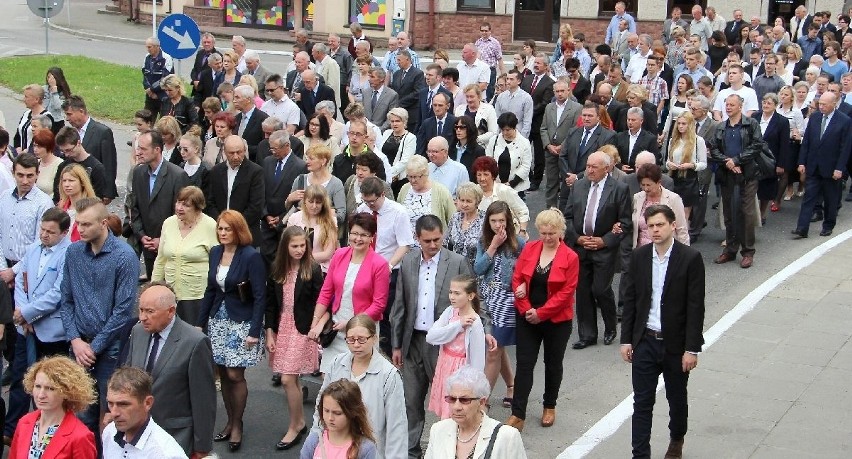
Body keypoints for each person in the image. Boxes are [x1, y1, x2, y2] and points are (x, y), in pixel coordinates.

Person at [620, 204, 706, 459]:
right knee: (642, 403)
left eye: (660, 225)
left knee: (677, 400)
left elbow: (695, 307)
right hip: (645, 340)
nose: (655, 230)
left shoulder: (690, 258)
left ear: (673, 226)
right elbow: (631, 299)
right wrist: (626, 340)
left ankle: (676, 439)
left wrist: (691, 349)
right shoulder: (640, 256)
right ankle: (640, 455)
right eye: (651, 226)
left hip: (675, 345)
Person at [59, 197, 139, 435]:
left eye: (86, 224)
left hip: (111, 348)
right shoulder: (73, 253)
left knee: (111, 418)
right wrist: (75, 340)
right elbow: (66, 301)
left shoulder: (124, 256)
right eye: (78, 224)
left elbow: (123, 311)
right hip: (79, 345)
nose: (80, 229)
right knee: (80, 416)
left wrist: (93, 348)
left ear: (103, 223)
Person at [198, 210, 266, 452]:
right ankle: (229, 420)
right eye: (220, 229)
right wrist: (200, 322)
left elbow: (260, 297)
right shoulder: (216, 252)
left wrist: (255, 331)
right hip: (218, 319)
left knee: (236, 375)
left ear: (238, 230)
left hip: (242, 322)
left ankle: (237, 424)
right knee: (224, 374)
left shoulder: (250, 257)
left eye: (228, 229)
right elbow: (210, 289)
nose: (223, 233)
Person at [123, 282, 215, 457]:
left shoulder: (195, 342)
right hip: (138, 432)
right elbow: (128, 378)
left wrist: (202, 446)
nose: (142, 317)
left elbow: (204, 401)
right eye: (141, 310)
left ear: (171, 311)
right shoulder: (138, 331)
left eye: (149, 311)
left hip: (175, 435)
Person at [506, 207, 578, 432]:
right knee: (525, 364)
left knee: (553, 364)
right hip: (528, 316)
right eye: (543, 233)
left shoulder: (570, 256)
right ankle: (518, 413)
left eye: (551, 233)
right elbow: (517, 279)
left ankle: (549, 405)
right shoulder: (530, 248)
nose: (547, 238)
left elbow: (567, 292)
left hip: (556, 320)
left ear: (560, 232)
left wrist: (542, 313)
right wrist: (527, 309)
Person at [563, 151, 631, 349]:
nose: (589, 170)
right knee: (582, 292)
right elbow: (567, 217)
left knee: (600, 289)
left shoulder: (619, 189)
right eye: (588, 166)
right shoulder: (578, 185)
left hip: (604, 250)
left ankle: (610, 327)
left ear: (607, 168)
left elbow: (625, 223)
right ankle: (588, 334)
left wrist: (604, 241)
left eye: (594, 167)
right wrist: (577, 238)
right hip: (580, 248)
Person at [313, 315, 405, 459]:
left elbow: (396, 426)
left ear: (374, 338)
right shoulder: (337, 363)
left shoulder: (389, 375)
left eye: (362, 339)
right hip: (335, 450)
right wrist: (315, 438)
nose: (356, 345)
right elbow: (321, 404)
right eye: (350, 340)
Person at [307, 212, 390, 371]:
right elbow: (326, 292)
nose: (358, 239)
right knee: (330, 377)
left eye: (364, 235)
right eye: (355, 233)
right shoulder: (339, 255)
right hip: (336, 327)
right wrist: (315, 322)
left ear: (372, 237)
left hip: (363, 331)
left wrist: (352, 324)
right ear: (349, 233)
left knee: (357, 382)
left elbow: (378, 305)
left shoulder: (379, 264)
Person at [265, 226, 323, 451]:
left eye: (302, 246)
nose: (299, 250)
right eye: (294, 246)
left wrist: (317, 326)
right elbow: (270, 304)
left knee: (288, 379)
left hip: (302, 329)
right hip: (283, 327)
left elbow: (322, 300)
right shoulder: (277, 269)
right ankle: (299, 421)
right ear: (285, 247)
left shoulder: (313, 269)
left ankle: (296, 425)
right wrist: (270, 331)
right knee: (293, 380)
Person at [709, 94, 767, 268]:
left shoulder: (751, 124)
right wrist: (728, 162)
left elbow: (757, 145)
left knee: (746, 213)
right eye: (727, 104)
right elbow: (714, 148)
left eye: (732, 105)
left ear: (740, 107)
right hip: (727, 174)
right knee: (729, 213)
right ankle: (730, 249)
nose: (728, 107)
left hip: (747, 174)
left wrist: (737, 160)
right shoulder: (720, 127)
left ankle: (748, 251)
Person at [474, 201, 524, 404]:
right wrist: (493, 246)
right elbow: (478, 268)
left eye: (501, 220)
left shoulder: (518, 243)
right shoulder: (484, 241)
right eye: (493, 221)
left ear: (508, 221)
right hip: (486, 300)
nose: (497, 225)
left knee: (494, 349)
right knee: (496, 345)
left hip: (506, 300)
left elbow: (526, 271)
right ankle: (512, 385)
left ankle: (482, 400)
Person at [423, 366, 526, 459]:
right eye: (452, 399)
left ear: (482, 402)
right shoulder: (438, 430)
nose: (457, 407)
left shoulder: (507, 437)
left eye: (465, 400)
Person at [151, 186, 217, 325]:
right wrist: (153, 288)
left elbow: (218, 262)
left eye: (186, 205)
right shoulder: (168, 223)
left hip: (198, 296)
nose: (179, 208)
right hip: (171, 295)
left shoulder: (210, 225)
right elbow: (161, 259)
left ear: (198, 208)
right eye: (178, 202)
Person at [8, 356, 96, 459]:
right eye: (37, 386)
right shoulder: (24, 422)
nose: (41, 395)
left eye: (50, 388)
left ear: (67, 392)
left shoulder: (80, 436)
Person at [130, 130, 191, 279]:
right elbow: (135, 207)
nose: (138, 152)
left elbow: (183, 215)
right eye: (138, 148)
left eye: (143, 149)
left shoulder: (177, 175)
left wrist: (163, 240)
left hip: (172, 249)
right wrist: (141, 235)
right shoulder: (138, 173)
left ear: (157, 150)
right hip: (149, 246)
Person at [425, 274, 486, 420]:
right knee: (445, 413)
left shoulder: (475, 323)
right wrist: (458, 325)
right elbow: (431, 336)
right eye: (451, 292)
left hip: (460, 371)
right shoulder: (450, 312)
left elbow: (478, 361)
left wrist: (475, 389)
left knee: (456, 412)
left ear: (470, 296)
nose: (452, 296)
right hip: (445, 365)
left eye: (457, 293)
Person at [793, 92, 852, 238]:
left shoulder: (844, 121)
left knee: (831, 199)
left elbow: (845, 148)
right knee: (809, 198)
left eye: (825, 104)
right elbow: (806, 141)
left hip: (832, 168)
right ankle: (802, 228)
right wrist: (802, 162)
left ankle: (828, 225)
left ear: (834, 104)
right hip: (813, 166)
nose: (821, 107)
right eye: (820, 104)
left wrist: (840, 168)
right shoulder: (815, 118)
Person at [101, 367, 187, 458]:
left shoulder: (166, 454)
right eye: (110, 403)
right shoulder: (109, 433)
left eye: (123, 404)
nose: (114, 413)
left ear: (147, 403)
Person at [204, 134, 265, 244]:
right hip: (220, 232)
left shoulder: (255, 172)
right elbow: (210, 201)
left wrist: (234, 225)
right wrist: (221, 224)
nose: (236, 156)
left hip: (245, 232)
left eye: (239, 152)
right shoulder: (216, 171)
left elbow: (255, 206)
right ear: (224, 152)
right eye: (231, 153)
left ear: (244, 150)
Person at [300, 379, 378, 459]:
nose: (330, 418)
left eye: (337, 413)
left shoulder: (365, 449)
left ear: (352, 412)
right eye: (326, 411)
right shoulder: (314, 441)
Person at [61, 95, 118, 202]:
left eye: (69, 114)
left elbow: (109, 162)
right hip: (74, 191)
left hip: (94, 188)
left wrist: (108, 191)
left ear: (81, 111)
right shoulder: (69, 133)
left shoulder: (102, 132)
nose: (67, 118)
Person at [287, 144, 346, 232]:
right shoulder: (300, 179)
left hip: (324, 232)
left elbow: (341, 215)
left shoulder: (336, 183)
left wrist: (318, 211)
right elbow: (288, 208)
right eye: (307, 158)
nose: (307, 162)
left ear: (323, 161)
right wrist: (289, 199)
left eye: (311, 159)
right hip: (299, 231)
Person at [752, 93, 792, 222]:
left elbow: (784, 145)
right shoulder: (755, 117)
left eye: (769, 103)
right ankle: (752, 212)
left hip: (770, 159)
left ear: (775, 105)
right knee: (752, 185)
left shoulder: (782, 121)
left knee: (766, 187)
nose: (766, 105)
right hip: (753, 158)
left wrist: (781, 164)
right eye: (764, 102)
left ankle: (762, 213)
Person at [630, 163, 690, 247]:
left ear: (659, 182)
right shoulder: (637, 198)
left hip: (665, 249)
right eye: (643, 185)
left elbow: (682, 230)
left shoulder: (673, 199)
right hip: (641, 250)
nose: (645, 188)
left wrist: (685, 255)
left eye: (649, 185)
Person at [663, 111, 707, 221]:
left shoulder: (698, 141)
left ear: (690, 125)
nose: (680, 126)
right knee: (671, 213)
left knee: (684, 214)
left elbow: (703, 163)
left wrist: (692, 165)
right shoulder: (673, 140)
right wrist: (670, 164)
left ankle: (683, 237)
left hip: (689, 179)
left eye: (684, 123)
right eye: (679, 123)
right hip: (674, 177)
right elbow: (667, 161)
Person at [286, 185, 339, 272]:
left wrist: (302, 259)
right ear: (305, 201)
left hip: (321, 268)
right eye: (311, 202)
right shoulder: (294, 218)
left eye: (318, 202)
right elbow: (288, 246)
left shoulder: (331, 221)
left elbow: (327, 254)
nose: (314, 206)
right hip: (295, 267)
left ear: (323, 203)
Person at [473, 156, 530, 235]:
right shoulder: (473, 191)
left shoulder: (505, 190)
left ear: (493, 175)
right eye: (479, 175)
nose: (482, 178)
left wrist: (522, 231)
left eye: (486, 174)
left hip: (508, 235)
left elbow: (523, 211)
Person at [484, 113, 531, 196]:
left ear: (514, 127)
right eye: (502, 130)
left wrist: (511, 183)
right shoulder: (494, 140)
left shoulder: (524, 143)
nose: (505, 133)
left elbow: (525, 166)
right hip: (496, 186)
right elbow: (488, 161)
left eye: (508, 130)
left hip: (517, 188)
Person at [445, 183, 485, 267]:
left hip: (475, 271)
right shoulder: (455, 217)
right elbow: (446, 241)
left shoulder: (484, 220)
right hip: (455, 268)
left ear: (477, 202)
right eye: (462, 200)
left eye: (469, 201)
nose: (464, 204)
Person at [344, 153, 394, 217]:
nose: (359, 173)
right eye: (358, 168)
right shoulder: (350, 181)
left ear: (373, 172)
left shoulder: (383, 186)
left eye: (364, 170)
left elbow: (390, 210)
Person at [56, 164, 96, 242]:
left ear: (82, 182)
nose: (66, 185)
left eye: (71, 180)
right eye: (64, 181)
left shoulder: (92, 208)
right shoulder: (61, 206)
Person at [380, 108, 416, 195]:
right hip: (383, 175)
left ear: (404, 122)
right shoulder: (386, 133)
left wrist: (389, 173)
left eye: (397, 121)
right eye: (392, 121)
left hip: (399, 179)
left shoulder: (410, 138)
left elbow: (405, 161)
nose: (394, 124)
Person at [142, 37, 174, 116]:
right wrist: (148, 89)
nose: (148, 49)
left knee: (163, 123)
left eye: (149, 47)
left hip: (163, 95)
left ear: (157, 46)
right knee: (147, 120)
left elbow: (166, 78)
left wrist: (153, 90)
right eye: (147, 47)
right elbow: (144, 75)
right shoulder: (147, 57)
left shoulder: (166, 58)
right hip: (150, 95)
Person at [450, 115, 485, 183]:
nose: (458, 130)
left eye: (462, 127)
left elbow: (479, 174)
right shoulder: (451, 148)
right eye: (456, 127)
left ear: (470, 128)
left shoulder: (478, 150)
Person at [31, 129, 61, 198]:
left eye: (39, 146)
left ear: (49, 147)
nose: (35, 149)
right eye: (34, 146)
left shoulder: (59, 164)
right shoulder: (36, 163)